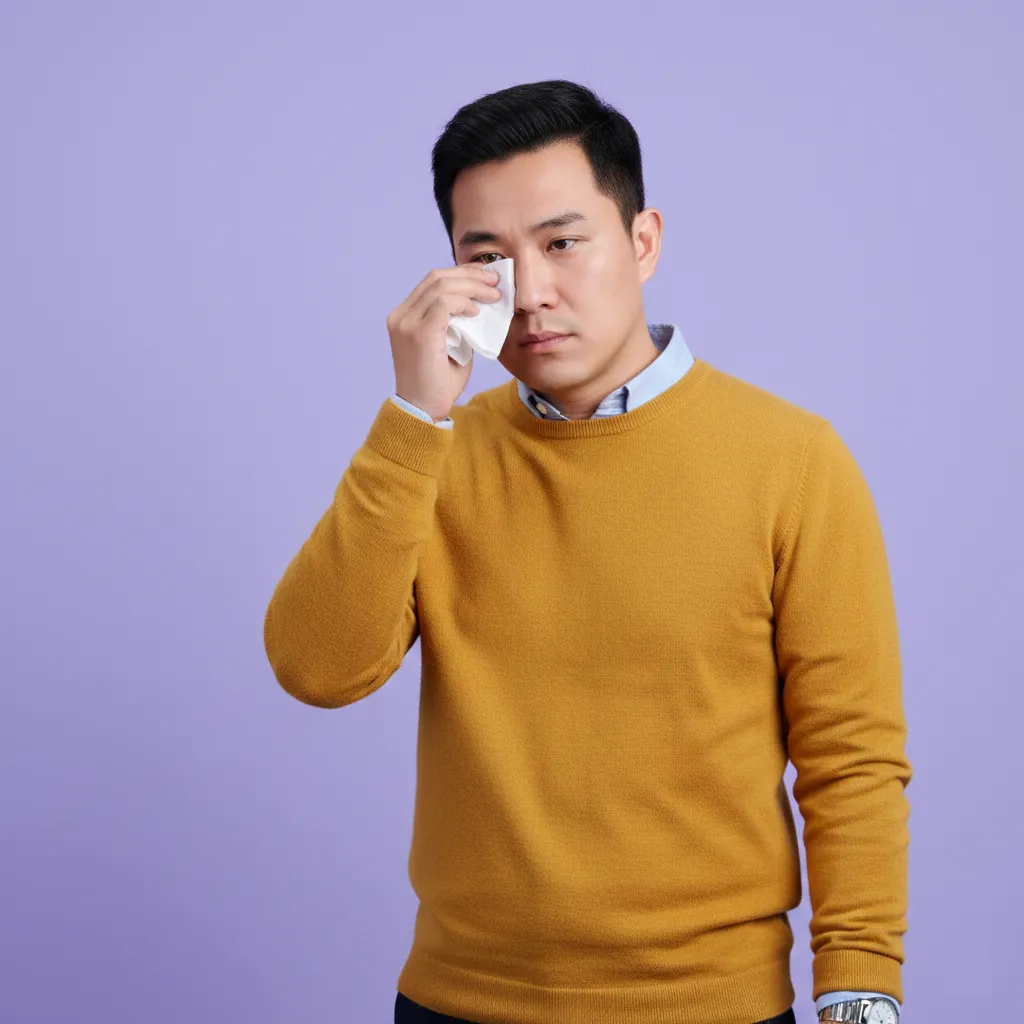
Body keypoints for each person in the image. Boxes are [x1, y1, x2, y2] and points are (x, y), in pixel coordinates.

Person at [263, 79, 910, 1024]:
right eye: (487, 257)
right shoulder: (429, 457)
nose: (532, 292)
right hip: (458, 1000)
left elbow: (850, 756)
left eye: (563, 243)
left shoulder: (794, 461)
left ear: (643, 242)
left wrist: (861, 990)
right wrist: (412, 418)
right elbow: (316, 666)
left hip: (710, 1006)